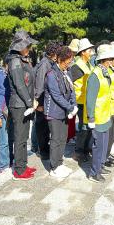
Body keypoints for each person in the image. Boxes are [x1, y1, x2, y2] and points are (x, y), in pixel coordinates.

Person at [7, 30, 38, 181]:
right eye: (27, 45)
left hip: (24, 104)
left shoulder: (22, 59)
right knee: (19, 138)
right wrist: (29, 103)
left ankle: (23, 164)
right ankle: (19, 170)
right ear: (20, 46)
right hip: (19, 105)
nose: (29, 48)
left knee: (24, 136)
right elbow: (19, 85)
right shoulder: (15, 61)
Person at [44, 46, 77, 178]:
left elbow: (72, 90)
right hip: (54, 111)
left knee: (63, 138)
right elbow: (56, 96)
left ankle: (60, 162)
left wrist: (73, 104)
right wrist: (70, 107)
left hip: (64, 111)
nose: (69, 64)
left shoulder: (66, 72)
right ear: (60, 60)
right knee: (56, 139)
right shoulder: (51, 74)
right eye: (67, 61)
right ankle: (54, 167)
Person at [87, 44, 114, 183]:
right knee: (98, 146)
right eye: (110, 58)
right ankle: (94, 172)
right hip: (98, 116)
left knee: (104, 144)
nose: (112, 61)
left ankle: (100, 166)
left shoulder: (105, 72)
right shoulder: (95, 75)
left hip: (105, 114)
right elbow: (90, 98)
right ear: (103, 59)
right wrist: (91, 117)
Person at [33, 41, 61, 160]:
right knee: (42, 125)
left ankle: (45, 148)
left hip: (46, 97)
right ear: (53, 53)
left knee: (46, 126)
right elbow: (39, 83)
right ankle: (42, 150)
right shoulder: (45, 64)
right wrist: (37, 100)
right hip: (41, 97)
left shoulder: (50, 62)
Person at [71, 38, 95, 162]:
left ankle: (86, 149)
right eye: (89, 50)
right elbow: (70, 84)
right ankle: (79, 151)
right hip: (80, 101)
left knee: (88, 126)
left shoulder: (89, 64)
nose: (91, 52)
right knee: (83, 127)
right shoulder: (76, 67)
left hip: (87, 100)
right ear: (83, 52)